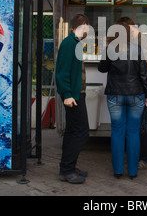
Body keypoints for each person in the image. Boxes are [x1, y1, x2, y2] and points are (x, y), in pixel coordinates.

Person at [98, 22, 147, 179]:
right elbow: (144, 74)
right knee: (134, 132)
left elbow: (102, 68)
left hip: (115, 94)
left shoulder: (110, 49)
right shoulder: (138, 50)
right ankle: (133, 172)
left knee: (117, 132)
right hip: (136, 94)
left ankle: (118, 171)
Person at [55, 14, 90, 184]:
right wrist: (67, 94)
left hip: (76, 94)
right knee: (81, 131)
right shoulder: (69, 44)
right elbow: (61, 73)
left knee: (71, 132)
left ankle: (67, 167)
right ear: (82, 25)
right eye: (87, 26)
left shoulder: (74, 43)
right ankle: (68, 169)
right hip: (73, 96)